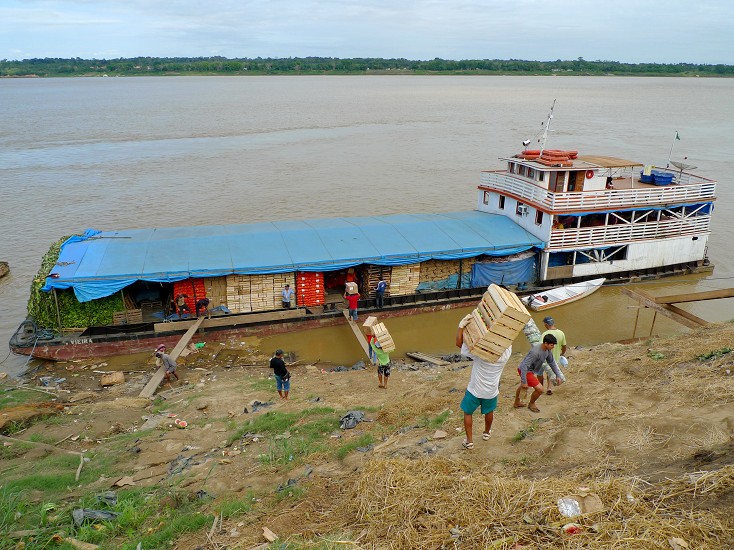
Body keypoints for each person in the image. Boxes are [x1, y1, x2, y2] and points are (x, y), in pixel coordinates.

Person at [456, 314, 512, 450]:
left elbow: (459, 344)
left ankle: (469, 441)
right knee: (489, 411)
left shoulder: (480, 354)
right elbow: (508, 338)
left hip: (475, 390)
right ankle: (487, 433)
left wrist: (460, 327)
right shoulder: (505, 355)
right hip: (491, 391)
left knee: (468, 413)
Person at [514, 333, 563, 413]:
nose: (553, 347)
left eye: (553, 345)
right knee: (540, 389)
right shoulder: (535, 352)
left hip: (530, 371)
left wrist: (558, 375)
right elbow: (524, 366)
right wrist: (524, 381)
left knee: (523, 386)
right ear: (545, 343)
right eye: (551, 345)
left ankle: (517, 402)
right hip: (525, 370)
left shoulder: (547, 350)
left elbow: (552, 363)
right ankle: (531, 404)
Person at [540, 316, 567, 395]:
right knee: (552, 371)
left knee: (541, 372)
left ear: (546, 324)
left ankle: (540, 387)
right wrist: (562, 353)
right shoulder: (561, 333)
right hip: (556, 357)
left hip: (546, 357)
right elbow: (564, 346)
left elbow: (541, 346)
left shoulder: (545, 334)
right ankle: (549, 388)